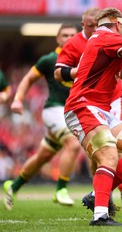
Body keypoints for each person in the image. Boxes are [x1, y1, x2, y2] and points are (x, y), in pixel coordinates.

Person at [63, 7, 122, 226]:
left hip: (99, 109)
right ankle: (100, 215)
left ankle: (98, 195)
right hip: (83, 106)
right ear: (117, 23)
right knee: (109, 155)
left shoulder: (104, 41)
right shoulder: (108, 37)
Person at [3, 23, 80, 211]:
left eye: (72, 35)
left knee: (43, 156)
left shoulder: (83, 58)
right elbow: (29, 78)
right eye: (65, 35)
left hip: (73, 112)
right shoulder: (49, 59)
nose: (69, 38)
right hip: (54, 110)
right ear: (57, 38)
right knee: (73, 143)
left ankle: (13, 186)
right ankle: (60, 189)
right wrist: (18, 100)